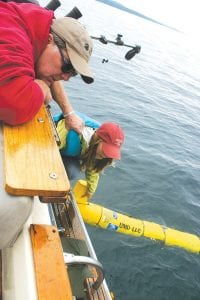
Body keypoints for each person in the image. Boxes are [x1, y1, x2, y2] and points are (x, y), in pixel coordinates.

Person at [0, 1, 94, 133]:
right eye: (67, 66)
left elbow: (48, 72)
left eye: (73, 73)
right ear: (50, 40)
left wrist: (68, 113)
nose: (66, 78)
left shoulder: (38, 27)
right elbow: (14, 106)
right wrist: (40, 87)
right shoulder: (15, 39)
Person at [55, 113, 124, 199]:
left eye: (110, 152)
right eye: (106, 149)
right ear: (97, 140)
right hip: (54, 146)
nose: (106, 155)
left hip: (67, 154)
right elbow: (50, 146)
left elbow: (93, 169)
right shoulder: (73, 129)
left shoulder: (98, 152)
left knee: (72, 171)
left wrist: (91, 190)